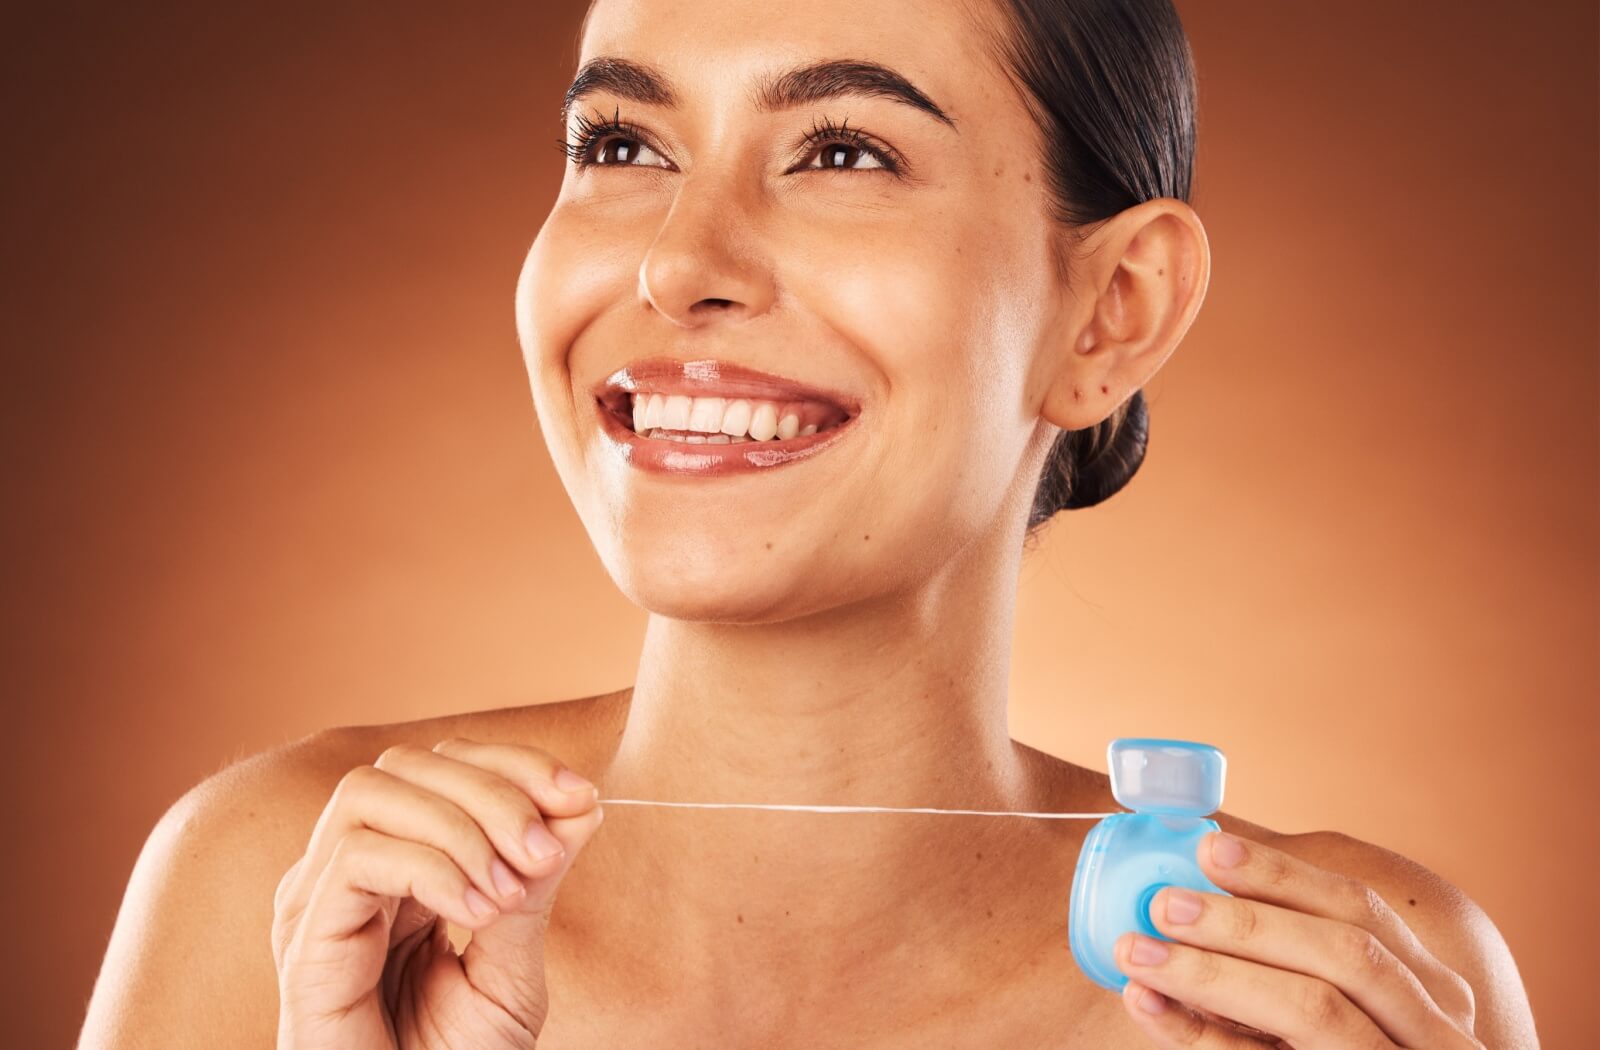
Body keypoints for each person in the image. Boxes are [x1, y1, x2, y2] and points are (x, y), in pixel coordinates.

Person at [78, 0, 1540, 1046]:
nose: (679, 264)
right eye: (624, 143)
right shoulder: (279, 889)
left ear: (1113, 309)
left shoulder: (1354, 983)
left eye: (843, 150)